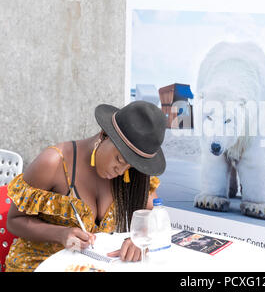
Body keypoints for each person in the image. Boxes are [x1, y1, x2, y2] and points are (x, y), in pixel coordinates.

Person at [5, 101, 167, 272]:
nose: (120, 171)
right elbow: (14, 221)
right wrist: (60, 234)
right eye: (119, 159)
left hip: (90, 265)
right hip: (38, 263)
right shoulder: (54, 163)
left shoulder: (129, 174)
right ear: (104, 135)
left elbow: (155, 214)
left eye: (130, 166)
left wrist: (140, 238)